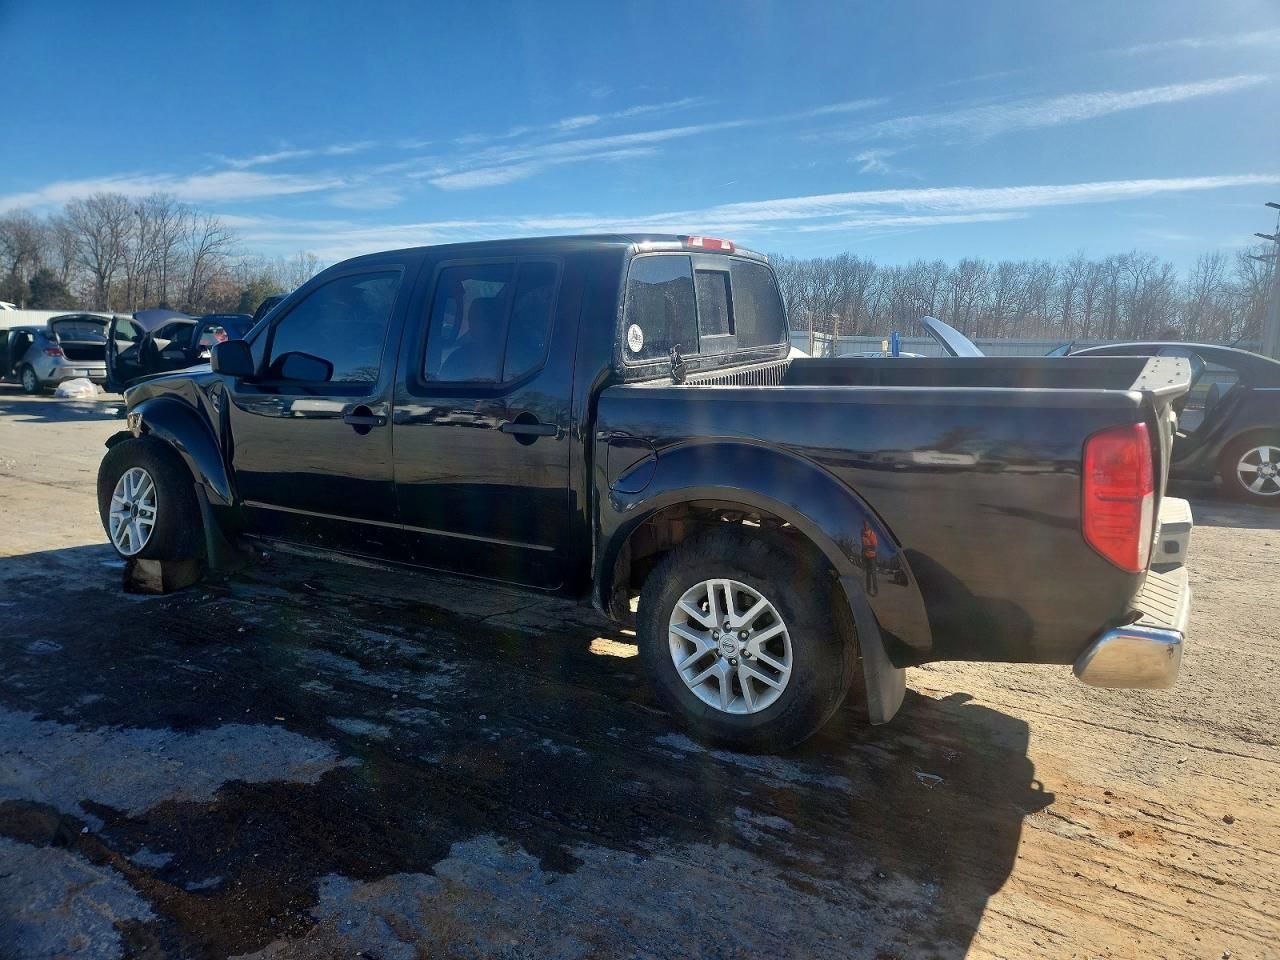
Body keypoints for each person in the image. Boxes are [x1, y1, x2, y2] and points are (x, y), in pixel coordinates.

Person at [861, 520, 879, 597]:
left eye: (866, 525)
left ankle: (876, 591)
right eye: (864, 525)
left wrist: (867, 547)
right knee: (868, 574)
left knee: (873, 574)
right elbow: (862, 544)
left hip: (872, 557)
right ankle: (868, 590)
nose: (865, 526)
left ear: (869, 526)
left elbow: (875, 546)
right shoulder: (862, 534)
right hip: (866, 556)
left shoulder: (872, 534)